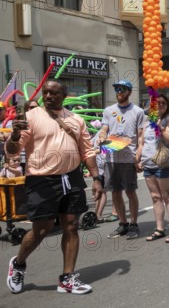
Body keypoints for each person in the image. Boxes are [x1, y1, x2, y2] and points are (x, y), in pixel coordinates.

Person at [5, 80, 100, 294]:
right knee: (42, 229)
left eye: (54, 93)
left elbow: (88, 150)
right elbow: (12, 150)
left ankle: (67, 279)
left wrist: (96, 178)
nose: (48, 96)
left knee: (71, 226)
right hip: (42, 179)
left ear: (64, 95)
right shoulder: (31, 117)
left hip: (72, 177)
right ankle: (19, 263)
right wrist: (15, 135)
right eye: (46, 92)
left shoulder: (75, 119)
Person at [97, 80, 145, 239]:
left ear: (129, 92)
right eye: (117, 89)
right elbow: (104, 129)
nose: (119, 91)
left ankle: (134, 224)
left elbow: (140, 137)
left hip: (128, 157)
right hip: (110, 156)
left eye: (123, 89)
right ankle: (122, 224)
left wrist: (138, 156)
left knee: (130, 191)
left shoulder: (137, 112)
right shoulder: (108, 110)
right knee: (115, 192)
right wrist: (102, 137)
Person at [140, 94, 169, 243]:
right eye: (157, 103)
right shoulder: (146, 122)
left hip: (164, 165)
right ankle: (159, 229)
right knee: (155, 197)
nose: (161, 105)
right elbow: (142, 142)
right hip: (149, 164)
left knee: (168, 197)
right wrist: (138, 158)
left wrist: (160, 127)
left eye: (164, 103)